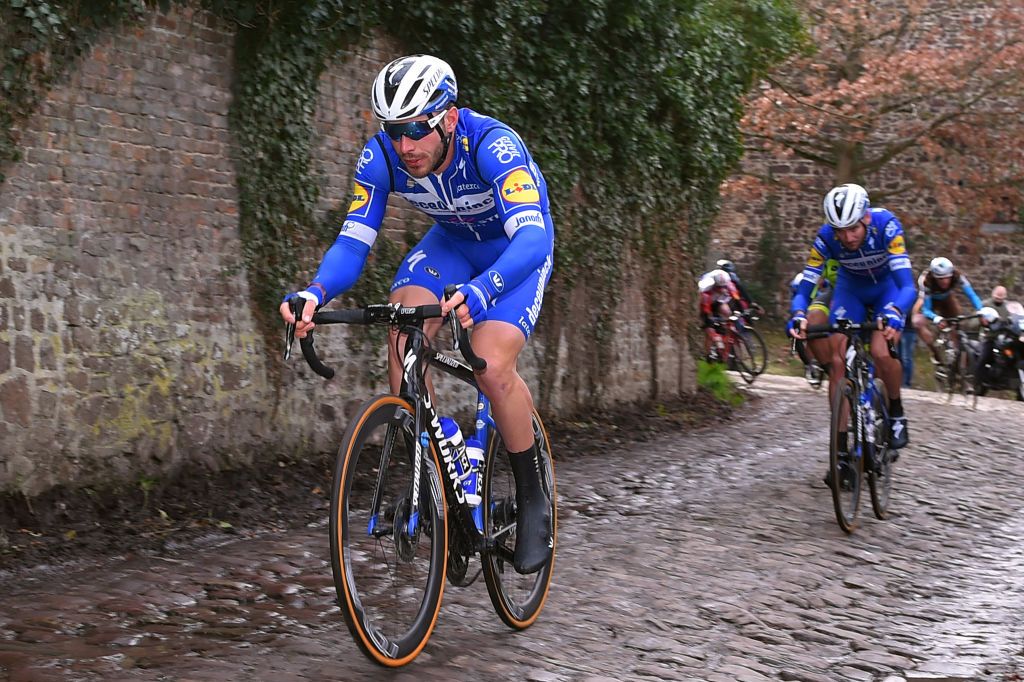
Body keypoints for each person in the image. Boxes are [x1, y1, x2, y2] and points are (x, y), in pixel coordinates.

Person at [279, 55, 554, 574]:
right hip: (450, 246)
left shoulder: (494, 145)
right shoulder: (381, 157)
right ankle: (436, 460)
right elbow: (352, 241)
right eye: (394, 131)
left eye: (416, 130)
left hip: (511, 253)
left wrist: (484, 288)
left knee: (492, 367)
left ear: (448, 118)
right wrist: (315, 294)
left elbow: (533, 238)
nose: (405, 147)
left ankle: (532, 492)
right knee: (402, 334)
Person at [789, 183, 917, 463]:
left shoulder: (887, 226)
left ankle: (896, 410)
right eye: (840, 231)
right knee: (839, 362)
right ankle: (841, 450)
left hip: (888, 290)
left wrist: (896, 310)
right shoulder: (825, 238)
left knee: (882, 352)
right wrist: (798, 313)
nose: (846, 238)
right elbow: (805, 286)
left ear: (866, 218)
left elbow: (907, 285)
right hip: (851, 290)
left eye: (853, 229)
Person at [911, 257, 983, 363]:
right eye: (940, 279)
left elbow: (972, 295)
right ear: (934, 277)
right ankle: (934, 351)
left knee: (956, 322)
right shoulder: (926, 280)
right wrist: (936, 318)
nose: (945, 281)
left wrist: (981, 310)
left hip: (946, 298)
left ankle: (957, 354)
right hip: (928, 299)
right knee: (917, 322)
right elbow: (926, 309)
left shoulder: (957, 275)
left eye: (947, 278)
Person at [789, 259, 839, 387]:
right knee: (807, 327)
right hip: (824, 298)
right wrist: (798, 316)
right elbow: (802, 297)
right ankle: (812, 366)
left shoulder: (823, 285)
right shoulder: (825, 251)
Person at [699, 269, 748, 361]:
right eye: (719, 288)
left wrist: (743, 312)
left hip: (718, 300)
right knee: (709, 328)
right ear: (714, 285)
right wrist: (709, 320)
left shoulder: (729, 284)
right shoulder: (706, 288)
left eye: (723, 287)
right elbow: (706, 310)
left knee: (727, 312)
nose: (721, 289)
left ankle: (726, 333)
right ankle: (708, 354)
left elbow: (736, 298)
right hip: (706, 302)